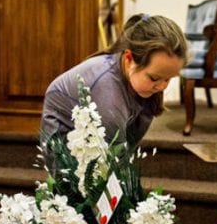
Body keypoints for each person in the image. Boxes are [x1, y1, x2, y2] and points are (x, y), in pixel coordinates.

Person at [40, 13, 188, 153]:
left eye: (169, 78)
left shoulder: (144, 82)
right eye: (154, 78)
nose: (163, 86)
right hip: (64, 132)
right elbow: (114, 159)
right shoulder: (108, 93)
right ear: (129, 59)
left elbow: (128, 148)